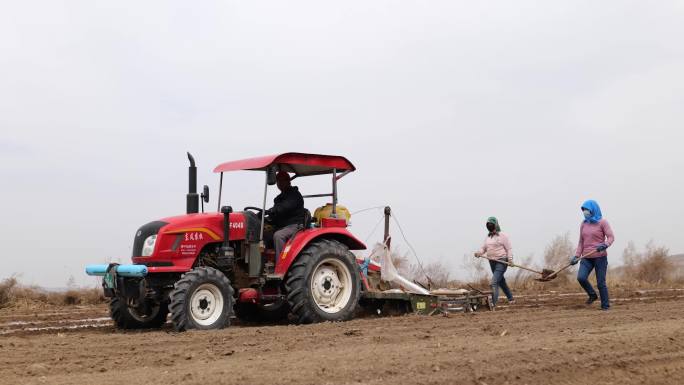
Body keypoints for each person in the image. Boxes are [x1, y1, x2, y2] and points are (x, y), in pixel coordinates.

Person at [570, 199, 615, 310]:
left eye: (587, 209)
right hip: (586, 258)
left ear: (593, 210)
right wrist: (576, 256)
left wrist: (605, 245)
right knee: (581, 278)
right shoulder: (583, 224)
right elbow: (581, 242)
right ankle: (592, 295)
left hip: (600, 257)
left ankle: (605, 306)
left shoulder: (603, 222)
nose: (585, 212)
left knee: (601, 283)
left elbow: (611, 237)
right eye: (584, 210)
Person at [265, 171, 306, 261]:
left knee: (279, 236)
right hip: (282, 225)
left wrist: (273, 210)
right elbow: (277, 213)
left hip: (295, 225)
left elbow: (285, 207)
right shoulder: (279, 198)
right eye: (278, 181)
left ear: (288, 181)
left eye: (282, 180)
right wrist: (266, 218)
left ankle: (280, 265)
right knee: (264, 234)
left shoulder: (294, 195)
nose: (280, 183)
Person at [474, 217, 515, 307]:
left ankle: (493, 303)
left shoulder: (503, 235)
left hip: (502, 261)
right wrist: (479, 253)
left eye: (491, 224)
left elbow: (509, 249)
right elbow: (484, 248)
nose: (489, 226)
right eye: (488, 225)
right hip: (492, 261)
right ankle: (511, 298)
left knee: (494, 282)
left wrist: (510, 259)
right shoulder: (488, 237)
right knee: (501, 281)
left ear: (496, 225)